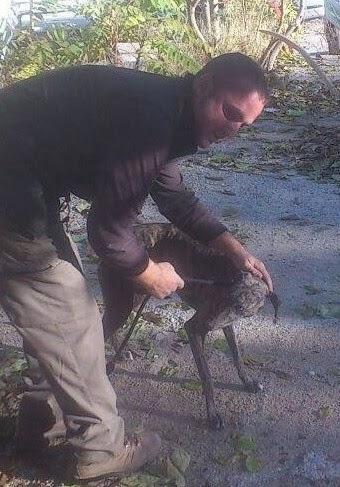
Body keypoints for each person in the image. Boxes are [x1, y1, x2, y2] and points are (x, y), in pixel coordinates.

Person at [0, 53, 273, 482]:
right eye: (230, 113)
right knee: (73, 320)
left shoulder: (169, 110)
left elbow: (173, 194)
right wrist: (149, 273)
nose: (232, 131)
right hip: (10, 189)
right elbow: (108, 234)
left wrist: (233, 248)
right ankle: (101, 450)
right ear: (203, 85)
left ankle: (41, 428)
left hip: (23, 181)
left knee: (59, 319)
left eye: (244, 125)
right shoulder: (152, 118)